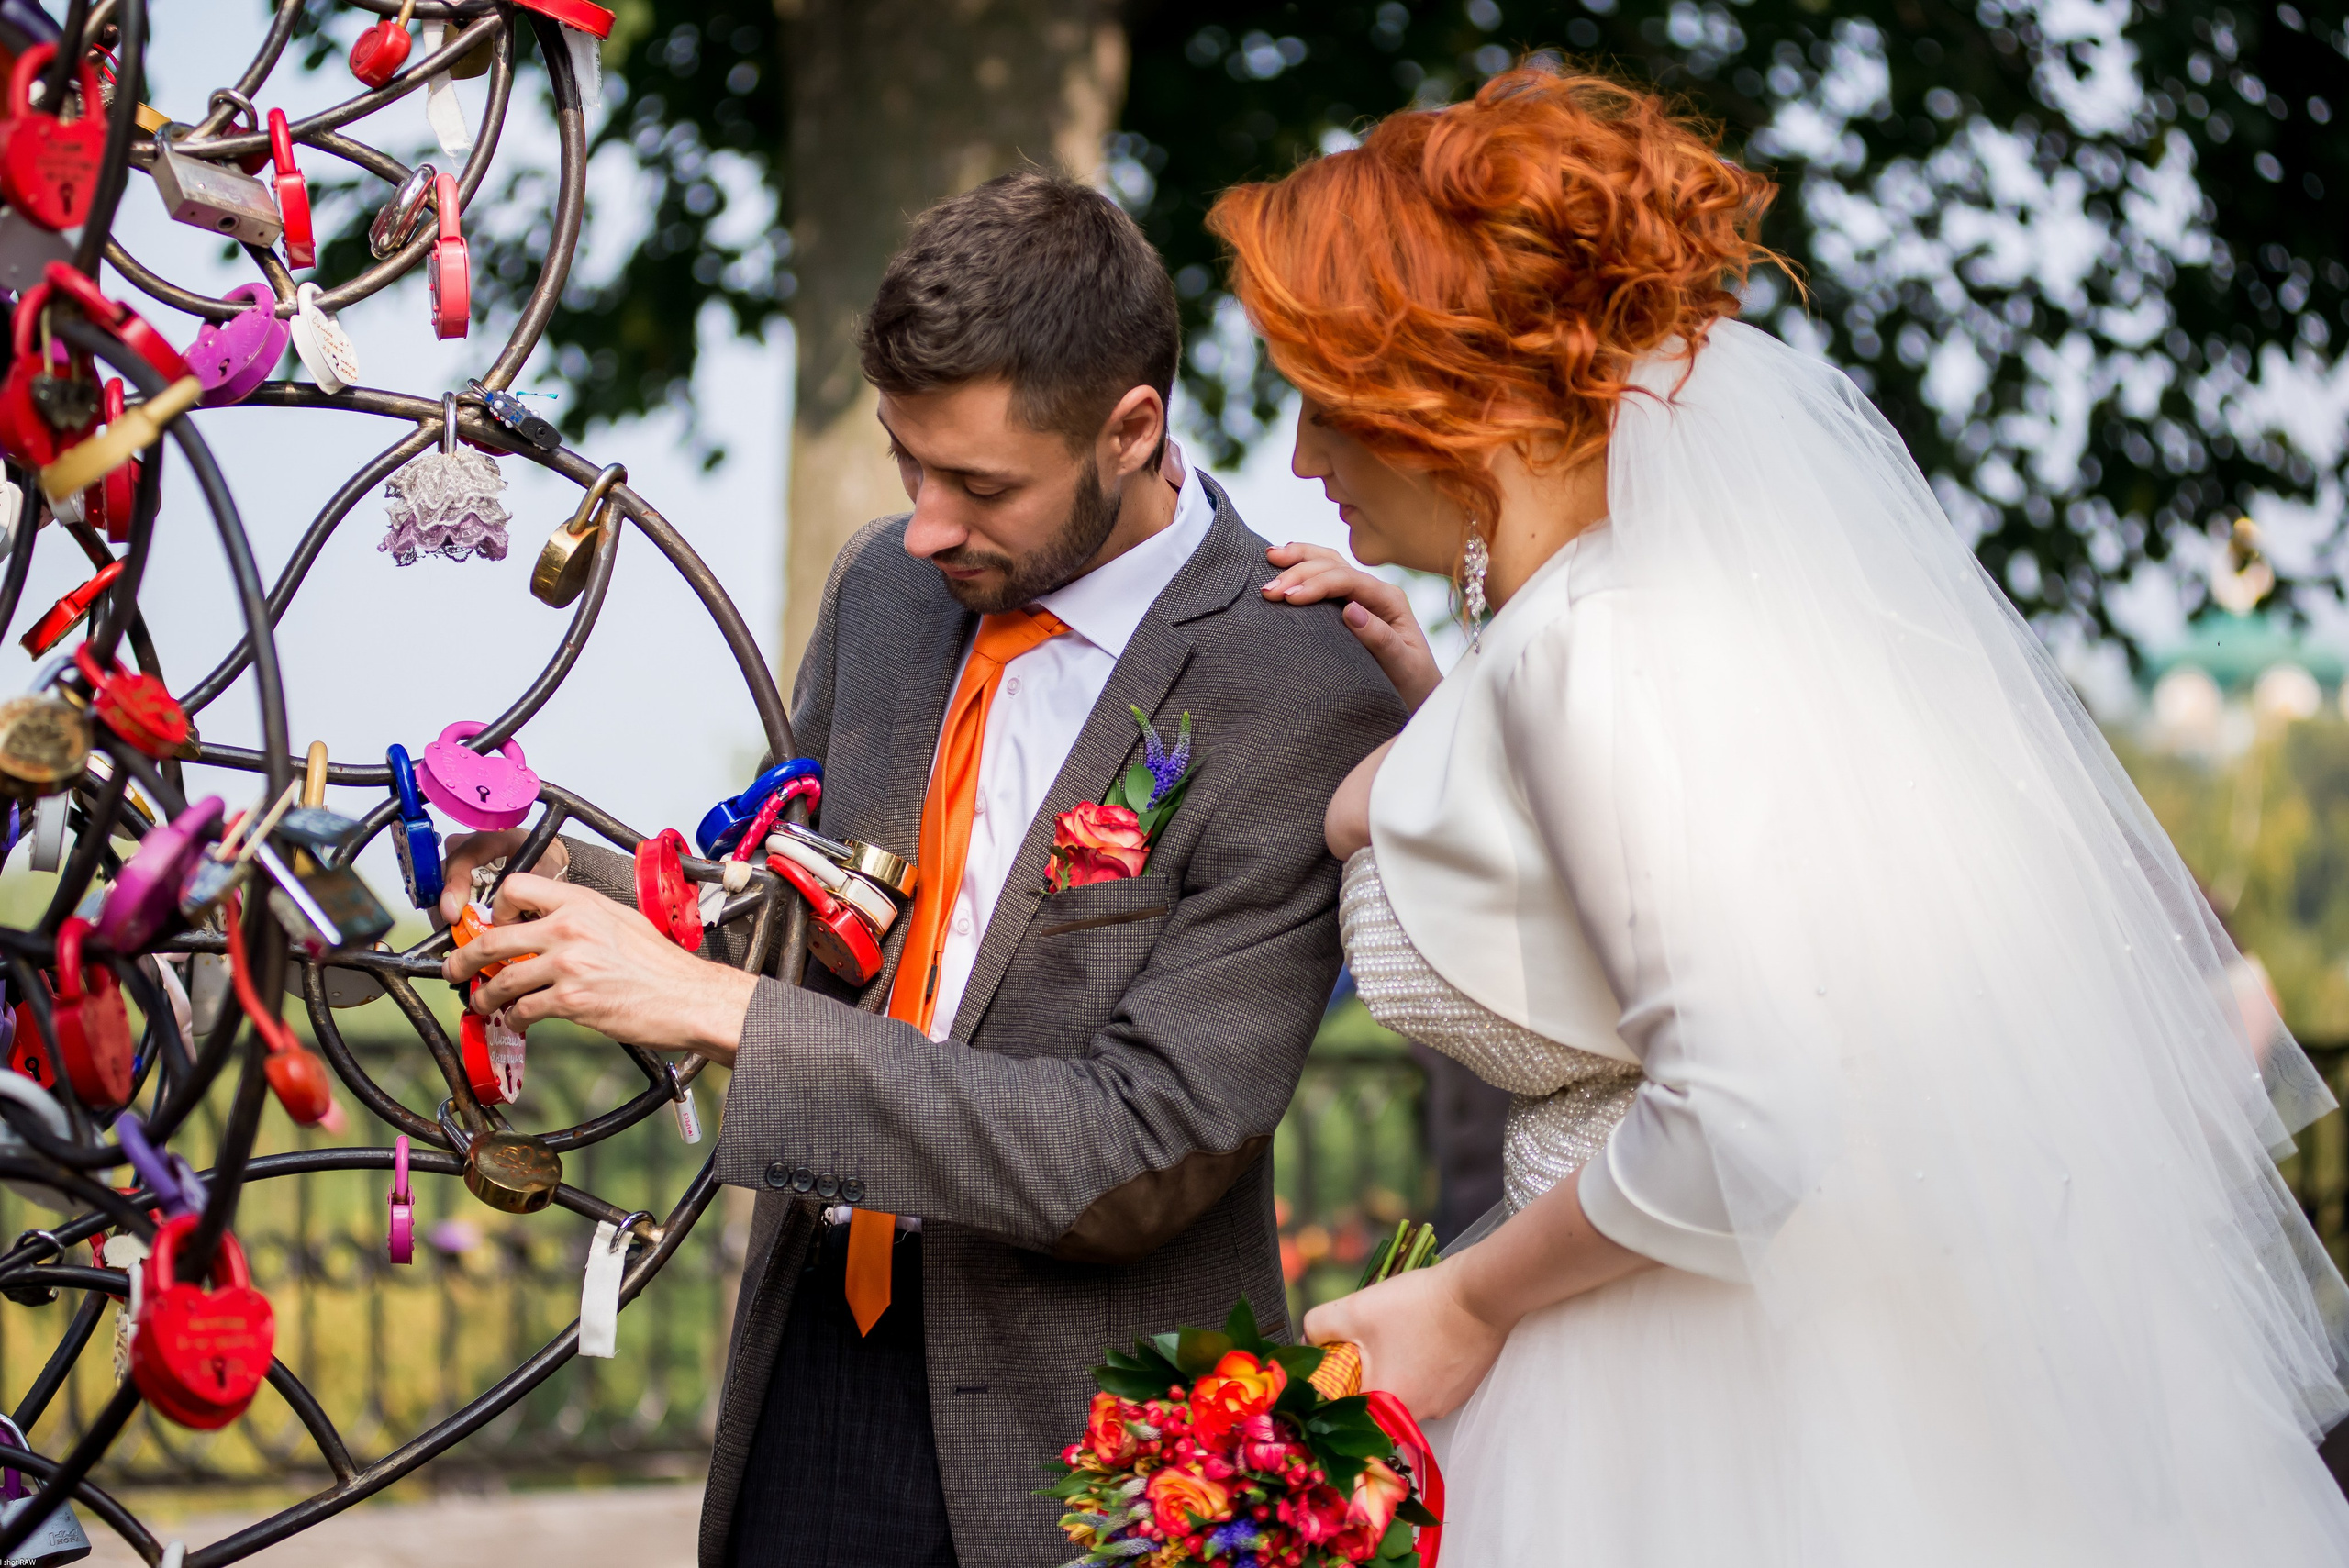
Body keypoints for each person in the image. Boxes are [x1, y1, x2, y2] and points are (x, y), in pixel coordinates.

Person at [1211, 63, 2349, 1563]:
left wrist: (1464, 1298)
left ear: (1452, 392)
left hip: (1675, 1398)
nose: (1300, 459)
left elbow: (1747, 1115)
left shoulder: (1592, 656)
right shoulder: (1622, 625)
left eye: (1325, 401)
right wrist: (1449, 719)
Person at [440, 172, 1404, 1567]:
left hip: (1096, 1453)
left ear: (1132, 429)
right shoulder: (889, 588)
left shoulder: (1299, 687)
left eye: (981, 483)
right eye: (909, 464)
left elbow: (1137, 1151)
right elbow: (803, 917)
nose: (929, 522)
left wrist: (720, 1015)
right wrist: (543, 867)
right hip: (813, 1367)